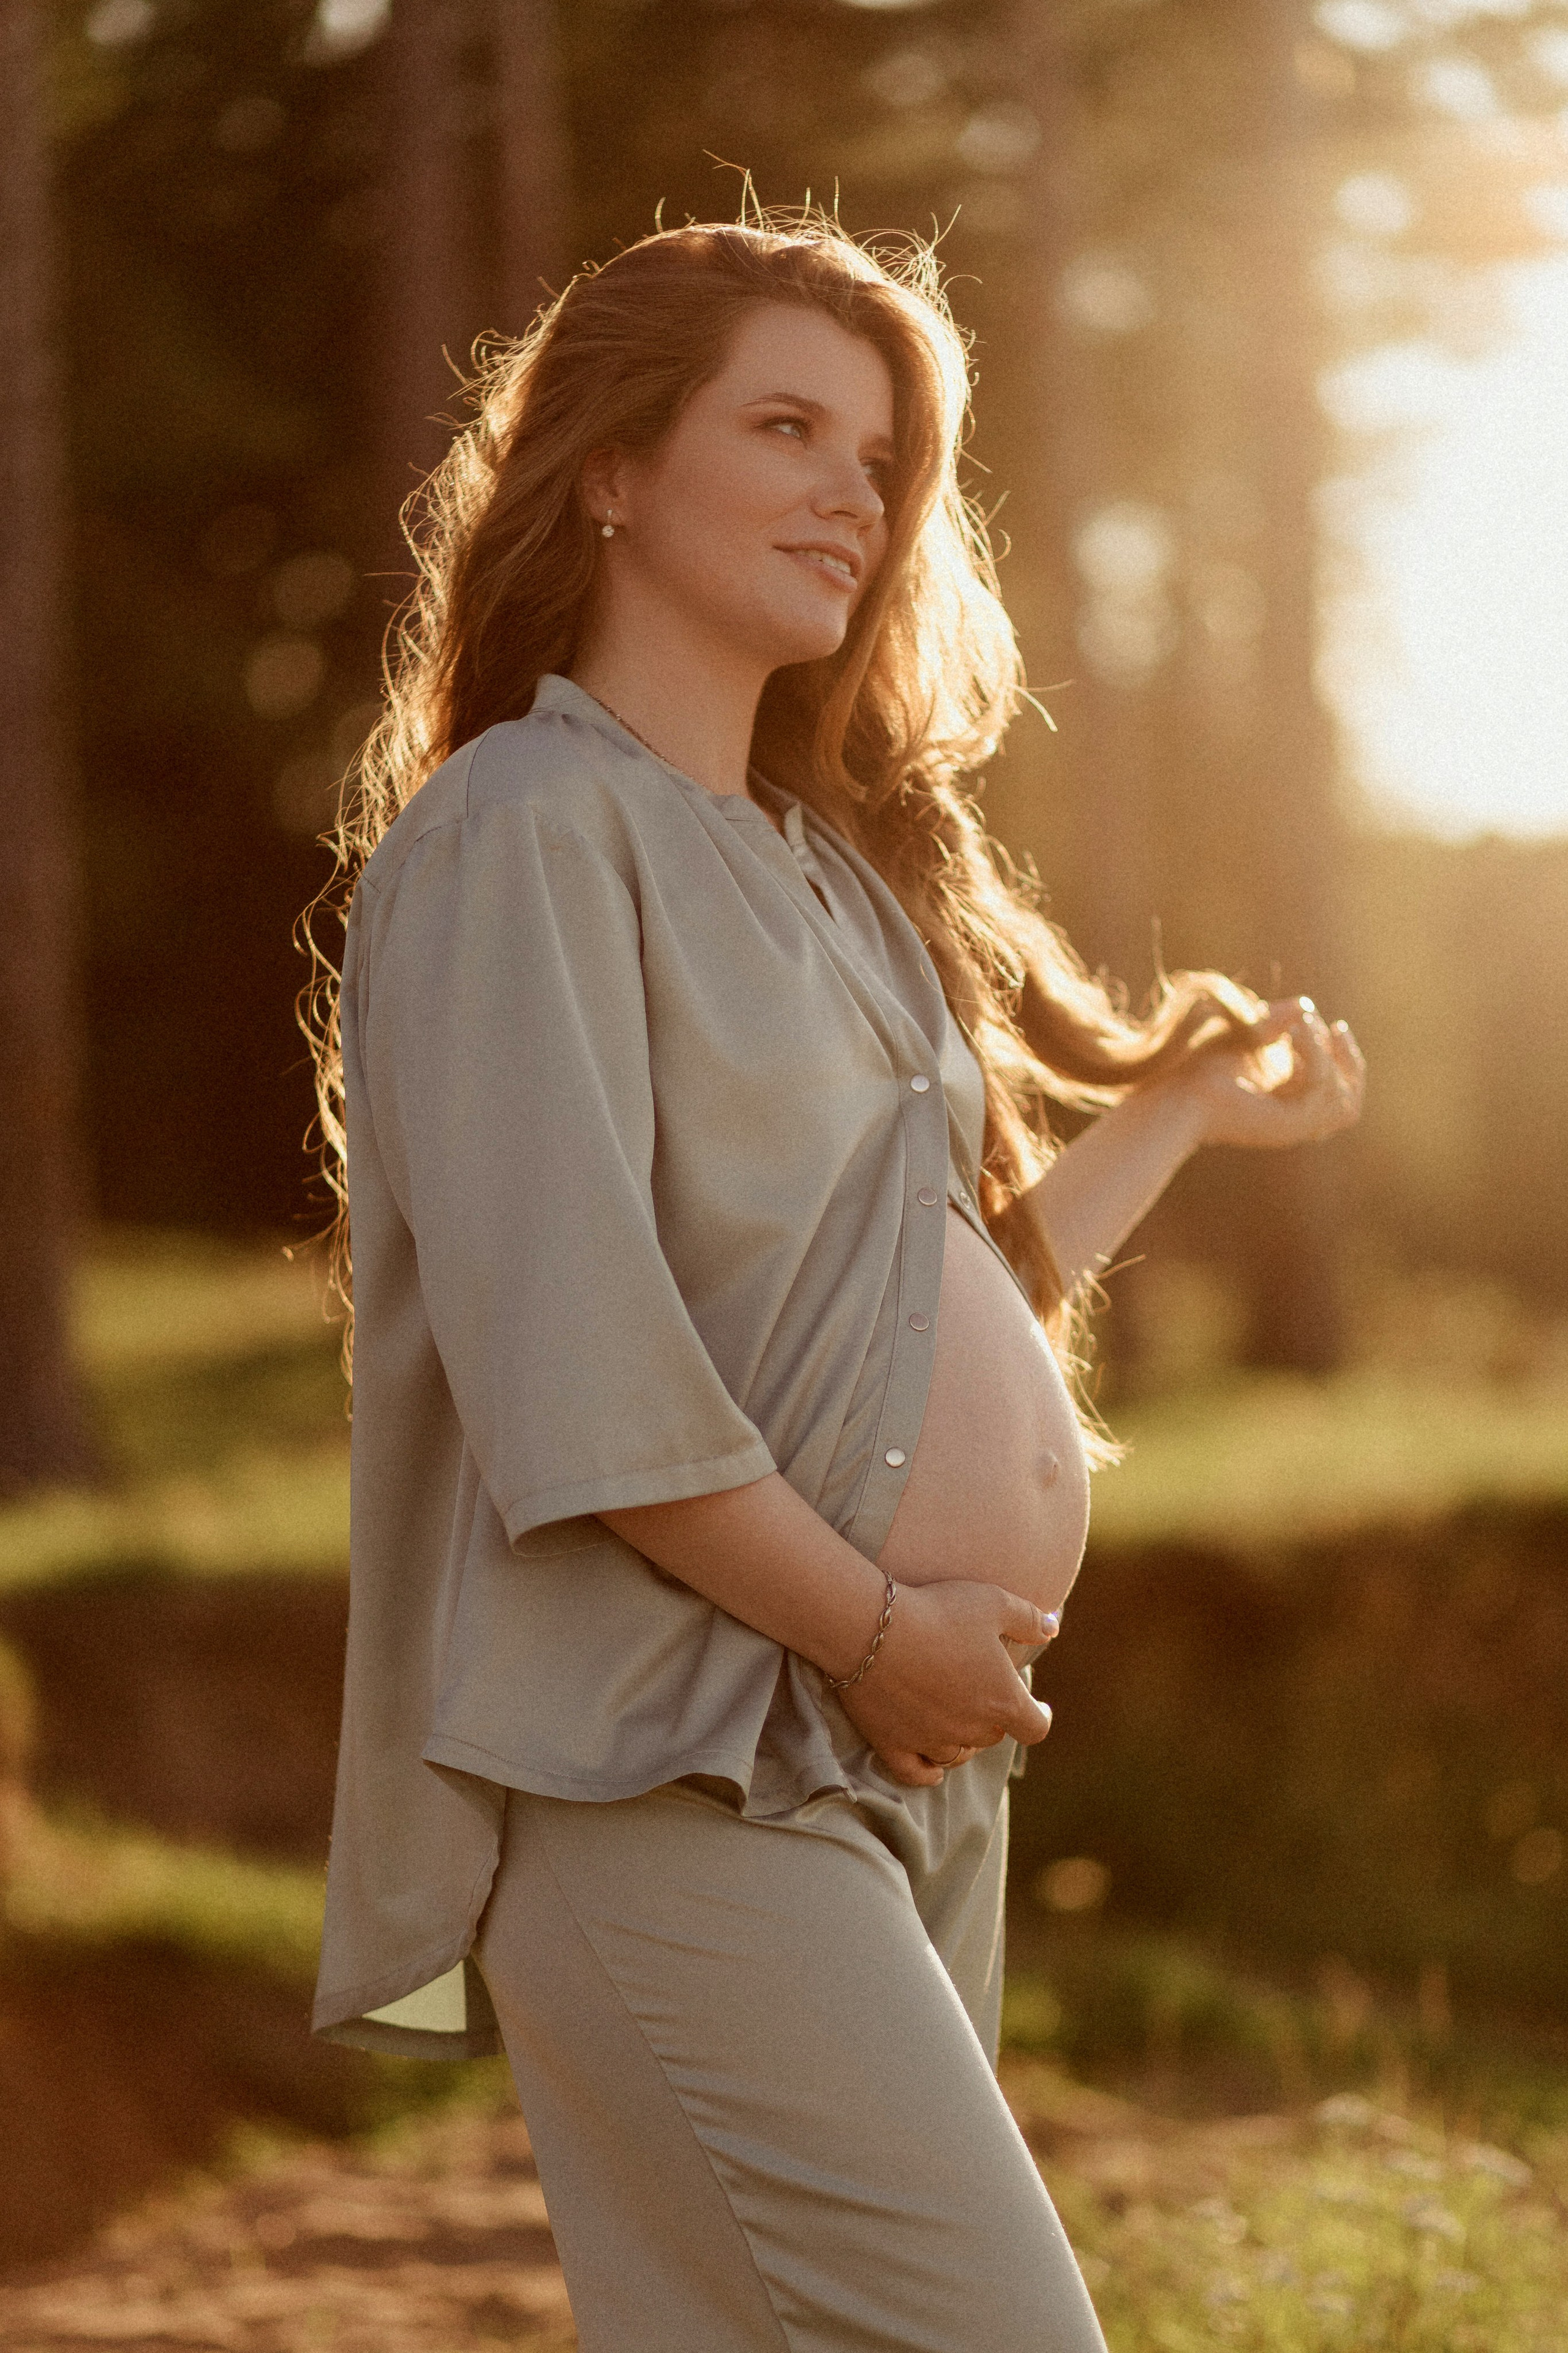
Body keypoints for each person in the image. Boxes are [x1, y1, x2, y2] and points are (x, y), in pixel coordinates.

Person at [304, 216, 1364, 2352]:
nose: (852, 496)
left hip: (877, 1760)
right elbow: (574, 1380)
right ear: (611, 467)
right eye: (784, 426)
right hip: (662, 1764)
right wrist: (882, 1634)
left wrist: (1174, 1124)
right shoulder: (528, 828)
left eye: (879, 457)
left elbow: (929, 1301)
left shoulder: (828, 879)